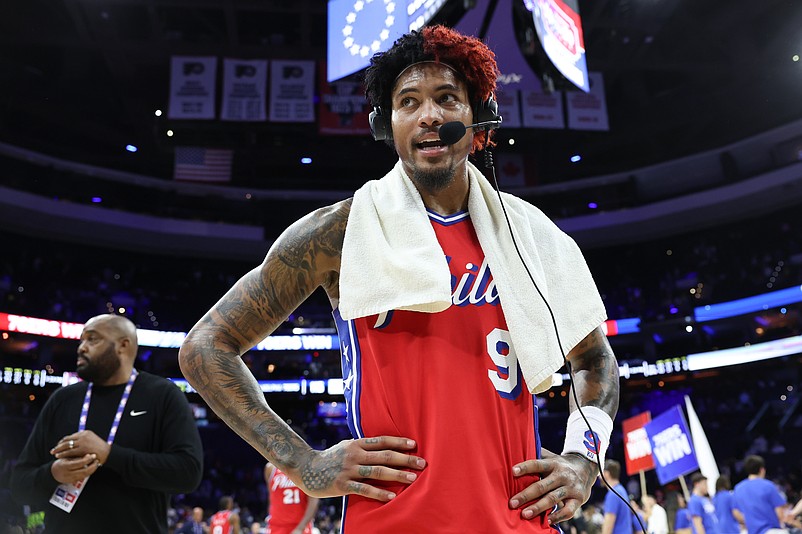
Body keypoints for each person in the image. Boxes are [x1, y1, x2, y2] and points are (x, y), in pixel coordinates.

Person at [179, 24, 620, 533]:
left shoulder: (533, 236)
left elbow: (594, 359)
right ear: (386, 125)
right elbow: (205, 348)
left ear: (479, 120)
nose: (429, 114)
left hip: (519, 519)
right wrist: (302, 464)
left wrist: (583, 460)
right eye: (408, 101)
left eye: (447, 98)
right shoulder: (340, 232)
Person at [10, 314, 204, 533]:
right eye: (81, 340)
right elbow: (19, 485)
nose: (81, 348)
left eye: (92, 339)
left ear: (123, 345)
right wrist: (53, 473)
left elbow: (188, 473)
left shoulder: (162, 395)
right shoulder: (62, 399)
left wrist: (109, 454)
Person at [733, 455, 790, 534]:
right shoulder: (768, 485)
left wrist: (751, 522)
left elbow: (735, 512)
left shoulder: (738, 488)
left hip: (751, 531)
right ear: (762, 470)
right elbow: (779, 513)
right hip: (771, 530)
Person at [265, 461, 319, 534]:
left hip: (299, 525)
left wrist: (300, 528)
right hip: (276, 525)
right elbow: (272, 497)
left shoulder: (306, 469)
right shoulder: (270, 468)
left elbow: (314, 501)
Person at [601, 460, 634, 534]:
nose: (599, 476)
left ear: (606, 474)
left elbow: (608, 527)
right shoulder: (621, 490)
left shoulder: (612, 495)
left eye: (601, 472)